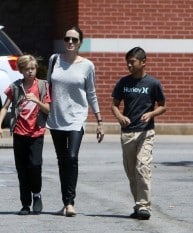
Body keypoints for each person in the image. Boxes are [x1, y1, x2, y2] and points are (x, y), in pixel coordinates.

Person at [46, 26, 104, 217]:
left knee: (71, 157)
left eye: (74, 40)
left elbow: (91, 93)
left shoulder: (87, 65)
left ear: (80, 43)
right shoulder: (54, 60)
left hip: (77, 118)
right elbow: (48, 88)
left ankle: (71, 203)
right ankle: (65, 202)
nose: (70, 42)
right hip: (56, 118)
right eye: (67, 39)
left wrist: (99, 120)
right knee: (62, 160)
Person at [111, 47, 166, 220]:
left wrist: (151, 114)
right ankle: (138, 204)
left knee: (142, 167)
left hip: (145, 132)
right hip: (127, 133)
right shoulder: (123, 83)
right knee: (131, 172)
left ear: (143, 62)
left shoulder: (153, 84)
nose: (129, 65)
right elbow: (114, 104)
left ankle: (144, 207)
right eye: (127, 61)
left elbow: (163, 106)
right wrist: (120, 116)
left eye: (132, 61)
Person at [0, 55, 51, 215]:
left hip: (36, 133)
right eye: (27, 70)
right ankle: (25, 204)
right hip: (19, 133)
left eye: (33, 69)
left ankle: (37, 194)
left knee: (35, 165)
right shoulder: (15, 87)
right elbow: (5, 107)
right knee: (22, 170)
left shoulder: (42, 86)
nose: (31, 72)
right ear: (21, 71)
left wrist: (36, 101)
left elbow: (48, 109)